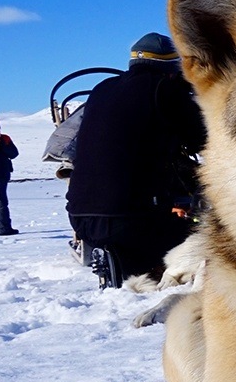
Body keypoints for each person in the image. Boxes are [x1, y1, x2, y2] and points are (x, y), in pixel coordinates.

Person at [66, 32, 207, 284]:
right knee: (203, 237)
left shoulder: (102, 89)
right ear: (174, 69)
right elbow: (207, 139)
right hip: (130, 220)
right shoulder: (165, 90)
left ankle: (113, 251)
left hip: (80, 217)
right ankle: (125, 263)